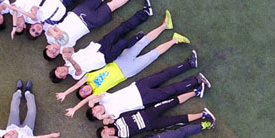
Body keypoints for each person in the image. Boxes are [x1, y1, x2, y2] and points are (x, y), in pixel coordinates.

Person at [53, 17, 189, 103]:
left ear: (82, 87)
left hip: (118, 61)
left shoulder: (88, 78)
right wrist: (75, 108)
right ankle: (175, 40)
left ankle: (165, 25)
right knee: (152, 55)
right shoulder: (99, 92)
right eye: (85, 94)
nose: (85, 91)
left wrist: (65, 93)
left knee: (142, 42)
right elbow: (88, 101)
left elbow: (76, 85)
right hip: (127, 72)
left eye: (82, 90)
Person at [66, 52, 207, 121]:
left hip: (138, 87)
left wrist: (75, 108)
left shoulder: (104, 99)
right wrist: (102, 116)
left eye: (94, 109)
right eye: (96, 113)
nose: (97, 110)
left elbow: (92, 98)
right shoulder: (111, 114)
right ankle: (196, 80)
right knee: (171, 90)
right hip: (143, 100)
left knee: (164, 75)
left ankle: (189, 64)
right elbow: (108, 120)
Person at [43, 0, 148, 52]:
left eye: (50, 51)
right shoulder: (63, 51)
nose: (54, 51)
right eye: (54, 54)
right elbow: (71, 51)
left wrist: (54, 34)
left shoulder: (49, 37)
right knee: (112, 6)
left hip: (78, 12)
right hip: (90, 23)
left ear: (48, 47)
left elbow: (49, 28)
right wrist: (67, 54)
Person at [48, 7, 151, 81]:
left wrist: (66, 51)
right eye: (60, 75)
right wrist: (70, 59)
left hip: (99, 45)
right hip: (104, 57)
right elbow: (78, 69)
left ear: (58, 67)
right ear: (64, 77)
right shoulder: (75, 75)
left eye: (58, 71)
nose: (61, 72)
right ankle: (136, 38)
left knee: (121, 29)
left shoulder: (66, 59)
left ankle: (144, 13)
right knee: (122, 43)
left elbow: (71, 49)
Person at [97, 104, 215, 138]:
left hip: (148, 113)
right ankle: (202, 115)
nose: (108, 134)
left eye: (105, 132)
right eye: (106, 136)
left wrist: (103, 118)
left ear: (105, 128)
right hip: (153, 125)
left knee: (171, 103)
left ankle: (195, 92)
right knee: (177, 120)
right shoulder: (120, 137)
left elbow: (107, 118)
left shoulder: (114, 120)